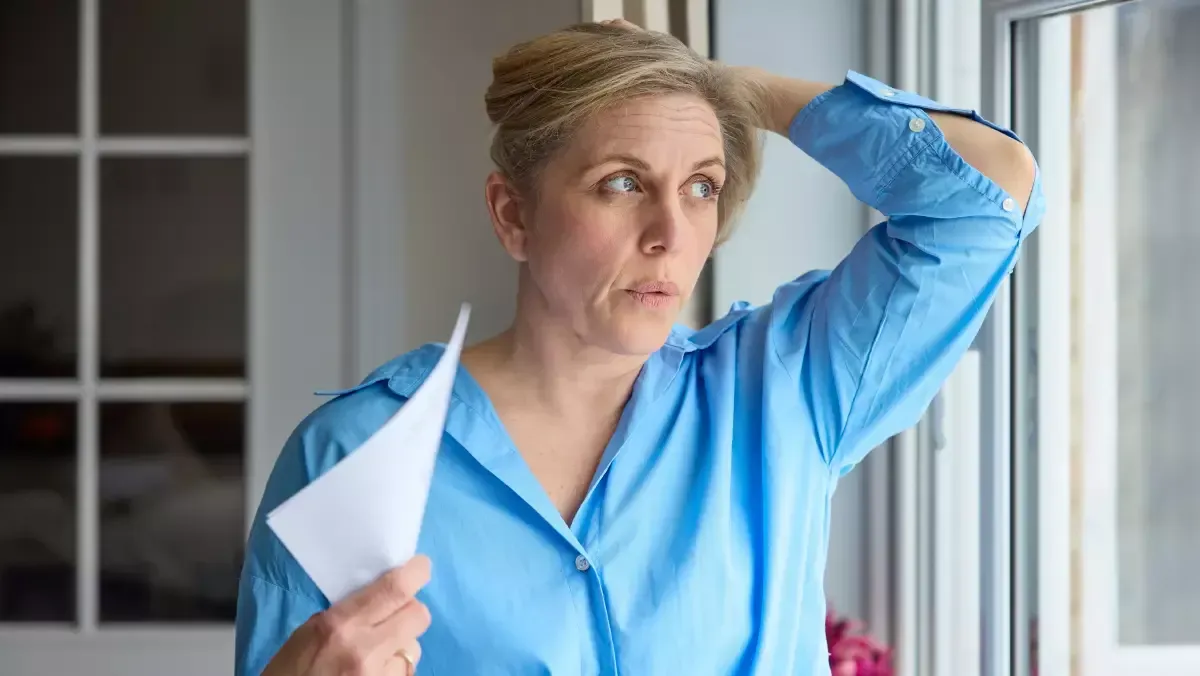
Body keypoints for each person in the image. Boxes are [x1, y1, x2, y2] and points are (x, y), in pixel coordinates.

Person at [236, 18, 1042, 676]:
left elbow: (990, 196)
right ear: (513, 215)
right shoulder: (352, 456)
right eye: (622, 183)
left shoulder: (787, 393)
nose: (671, 234)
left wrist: (732, 90)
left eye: (702, 186)